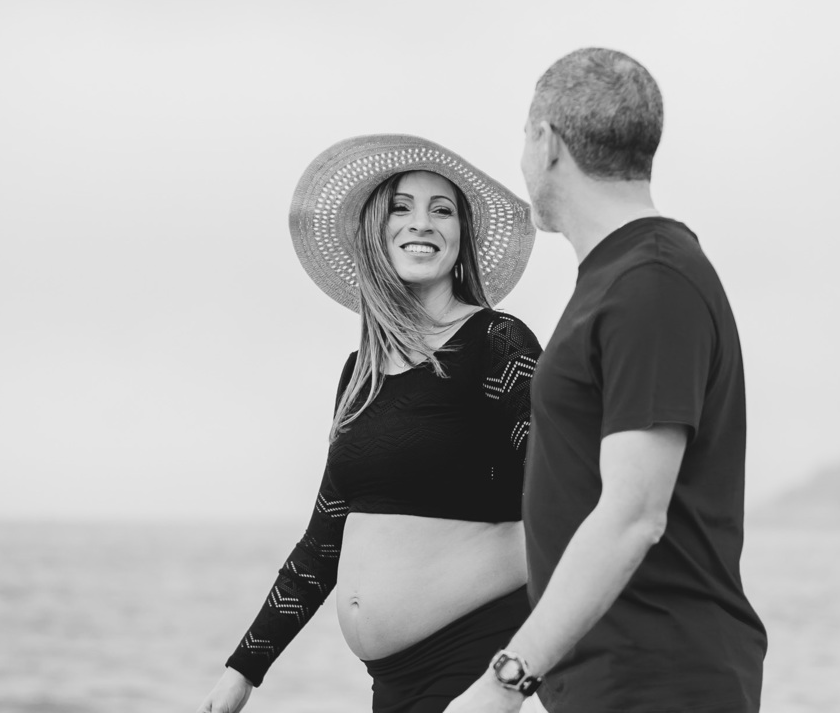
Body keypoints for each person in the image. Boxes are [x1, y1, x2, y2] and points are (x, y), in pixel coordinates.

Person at [445, 48, 767, 713]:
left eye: (524, 137)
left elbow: (633, 514)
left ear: (546, 141)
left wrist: (503, 682)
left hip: (659, 683)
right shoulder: (623, 278)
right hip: (618, 683)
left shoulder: (651, 282)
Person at [196, 134, 543, 713]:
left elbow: (558, 506)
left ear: (462, 236)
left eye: (442, 209)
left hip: (472, 663)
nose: (421, 223)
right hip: (391, 681)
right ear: (376, 232)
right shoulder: (358, 373)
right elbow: (323, 541)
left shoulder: (497, 342)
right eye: (401, 208)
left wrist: (513, 678)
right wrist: (243, 671)